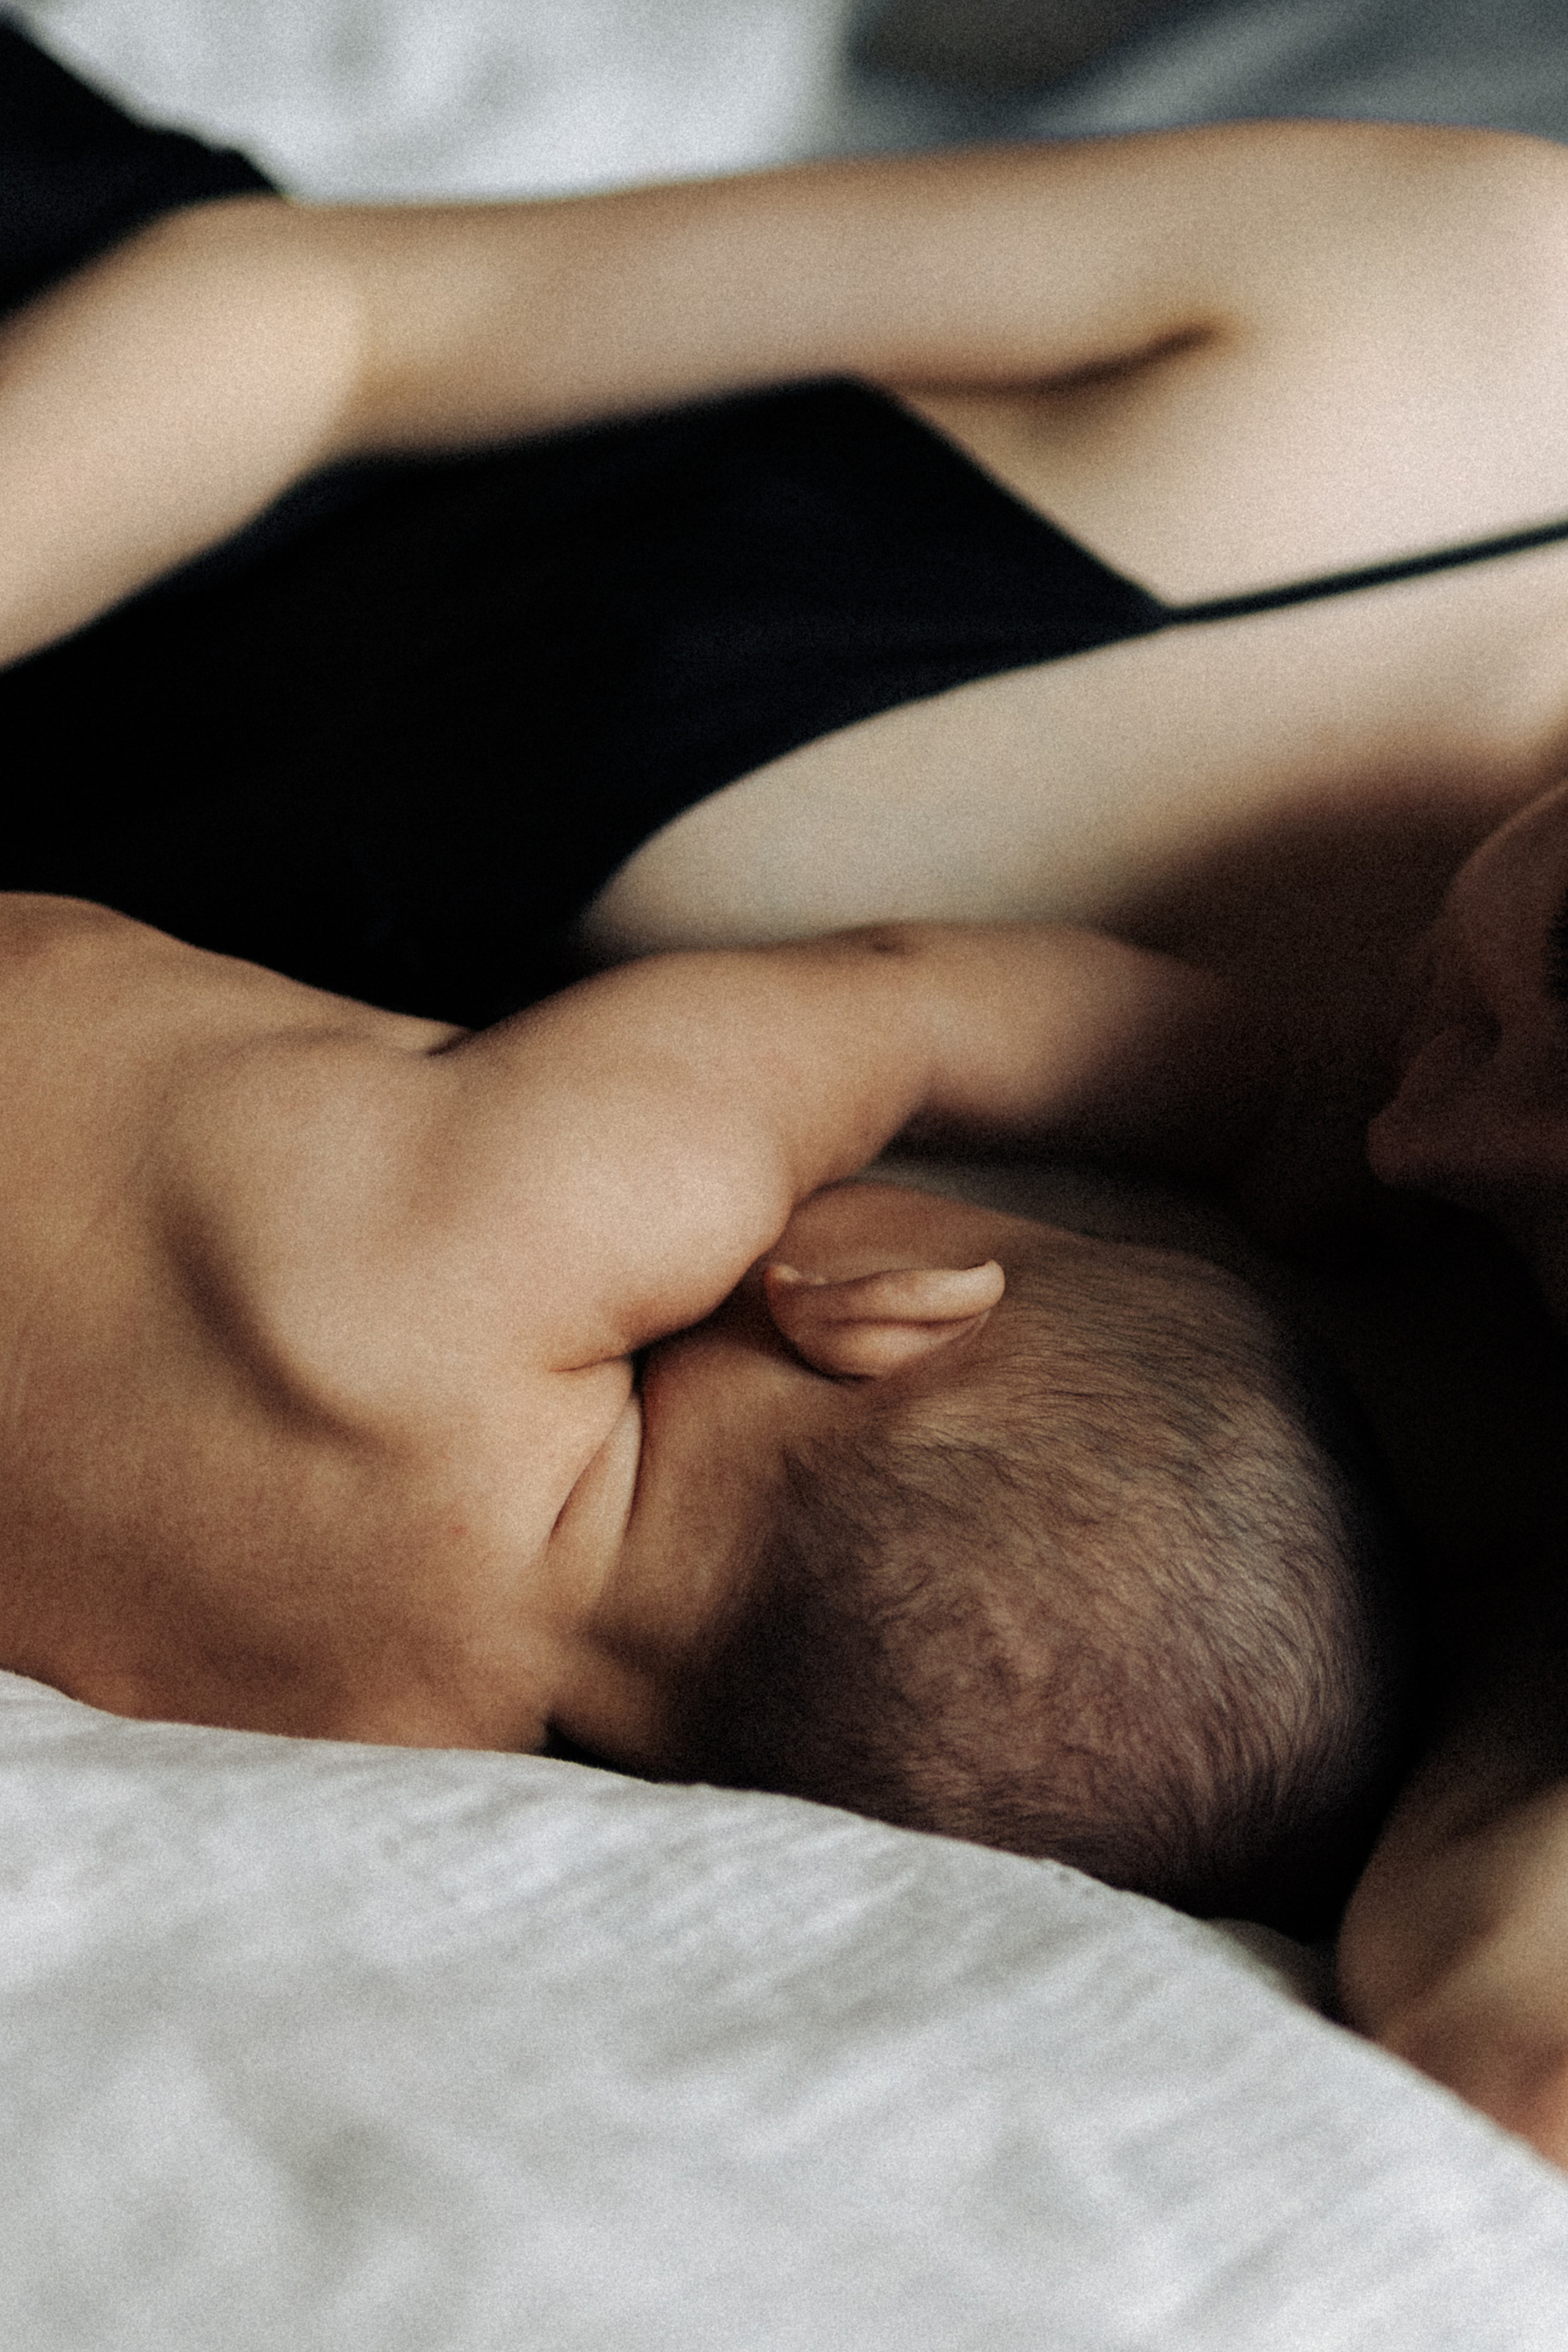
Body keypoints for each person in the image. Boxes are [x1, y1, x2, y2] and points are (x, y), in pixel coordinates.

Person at [4, 26, 1568, 2146]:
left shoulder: (1453, 1504)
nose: (1421, 1146)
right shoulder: (1485, 348)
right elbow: (322, 319)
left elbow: (1519, 2032)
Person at [0, 891, 1401, 1934]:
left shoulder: (613, 1199)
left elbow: (907, 1003)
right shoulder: (392, 1741)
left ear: (888, 1311)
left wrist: (1271, 1092)